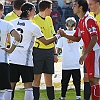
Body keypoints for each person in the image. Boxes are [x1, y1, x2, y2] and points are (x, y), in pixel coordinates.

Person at [7, 2, 60, 100]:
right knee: (28, 87)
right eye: (33, 11)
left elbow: (8, 39)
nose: (35, 13)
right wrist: (58, 36)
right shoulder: (33, 26)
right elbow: (46, 41)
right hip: (25, 61)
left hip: (12, 59)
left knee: (10, 87)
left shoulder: (12, 23)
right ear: (28, 12)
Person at [58, 0, 100, 100]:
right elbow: (77, 37)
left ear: (80, 8)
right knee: (91, 80)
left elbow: (95, 38)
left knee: (94, 80)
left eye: (75, 5)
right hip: (90, 53)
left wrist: (85, 53)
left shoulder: (89, 20)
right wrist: (64, 35)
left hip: (94, 53)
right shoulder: (81, 21)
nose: (72, 7)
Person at [32, 0, 58, 100]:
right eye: (51, 9)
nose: (51, 11)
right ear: (47, 9)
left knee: (49, 81)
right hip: (38, 52)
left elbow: (52, 36)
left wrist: (55, 53)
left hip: (49, 52)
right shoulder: (34, 20)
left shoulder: (49, 19)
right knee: (36, 80)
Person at [4, 0, 26, 99]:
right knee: (12, 81)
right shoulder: (9, 18)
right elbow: (6, 35)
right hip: (11, 52)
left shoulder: (26, 18)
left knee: (27, 81)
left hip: (24, 52)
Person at [57, 17, 82, 100]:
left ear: (66, 25)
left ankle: (63, 96)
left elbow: (59, 47)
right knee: (77, 81)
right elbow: (83, 45)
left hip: (66, 62)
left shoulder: (63, 34)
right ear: (75, 25)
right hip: (76, 61)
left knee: (64, 81)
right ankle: (78, 96)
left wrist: (56, 55)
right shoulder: (77, 34)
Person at [0, 1, 20, 100]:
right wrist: (11, 49)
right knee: (2, 92)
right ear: (2, 10)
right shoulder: (6, 24)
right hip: (2, 60)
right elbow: (18, 37)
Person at [84, 0, 100, 100]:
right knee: (92, 80)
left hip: (96, 52)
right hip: (91, 53)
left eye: (91, 4)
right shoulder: (89, 17)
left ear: (97, 3)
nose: (89, 7)